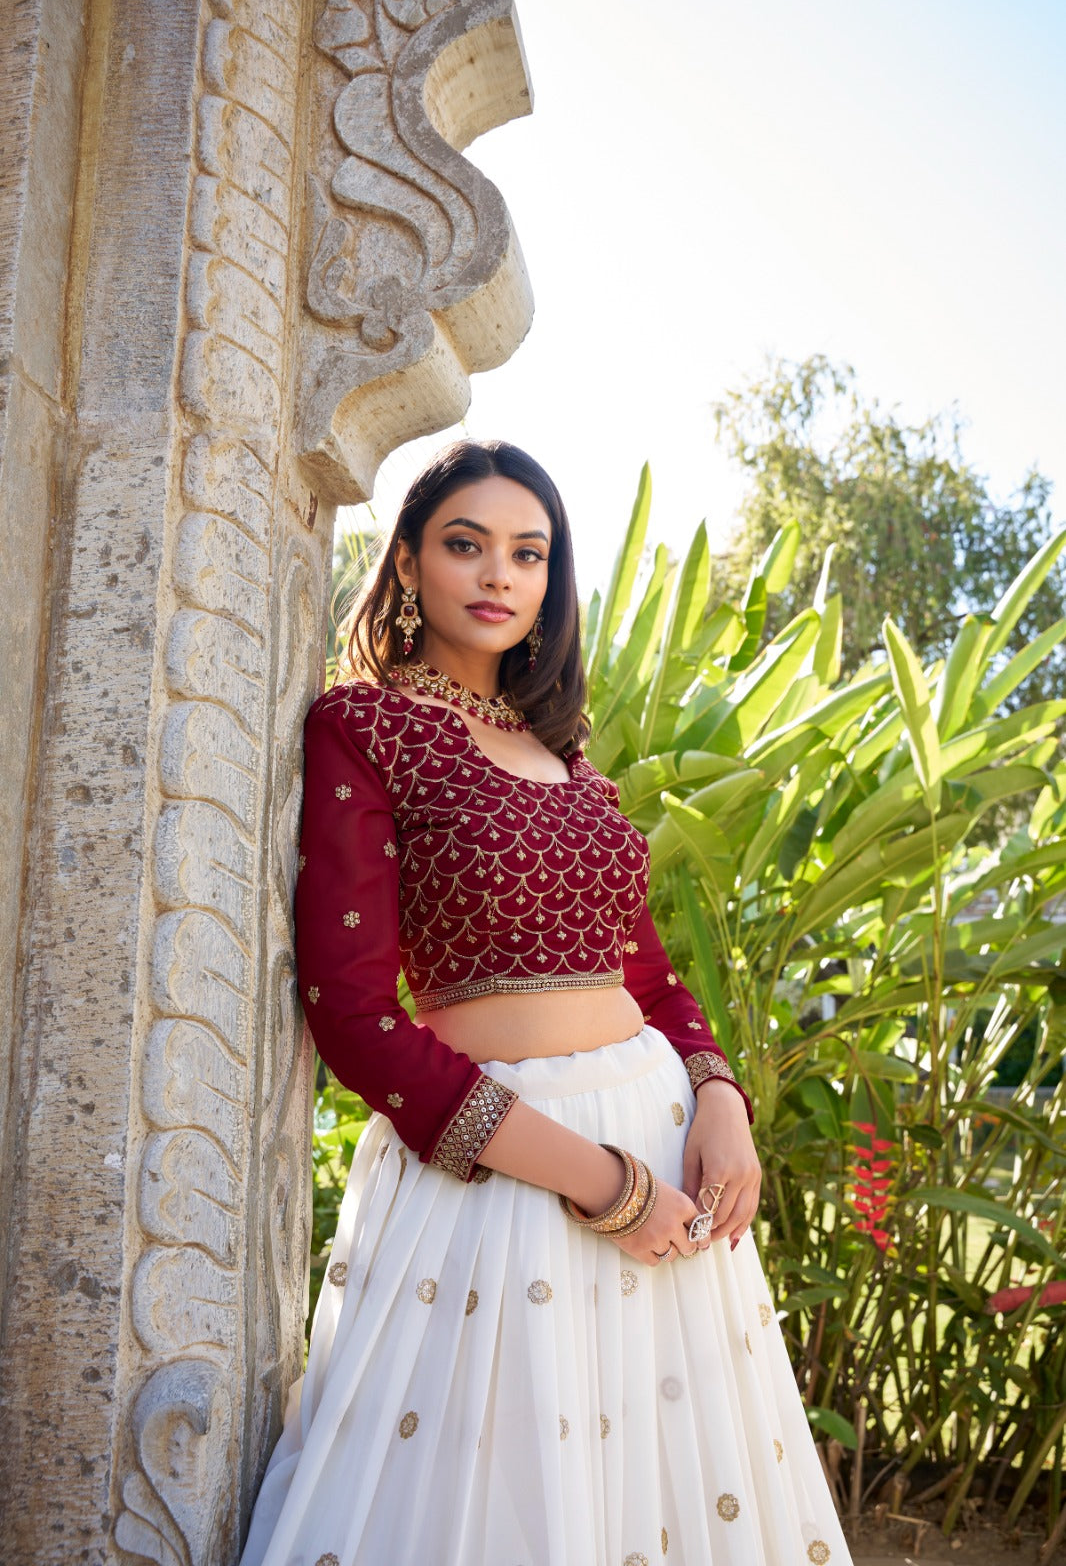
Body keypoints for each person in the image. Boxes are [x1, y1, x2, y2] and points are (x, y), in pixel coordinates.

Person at [239, 440, 852, 1565]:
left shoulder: (564, 753)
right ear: (408, 561)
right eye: (465, 544)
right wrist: (599, 1182)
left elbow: (649, 980)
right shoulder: (364, 727)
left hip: (662, 1143)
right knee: (513, 1498)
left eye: (528, 553)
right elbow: (355, 1017)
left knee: (649, 1498)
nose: (498, 574)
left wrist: (721, 1100)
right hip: (510, 1174)